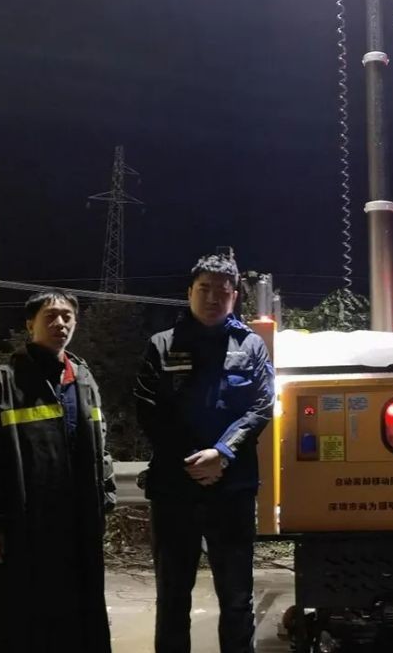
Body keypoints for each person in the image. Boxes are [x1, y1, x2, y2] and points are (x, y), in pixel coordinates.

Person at [0, 289, 116, 653]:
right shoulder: (4, 383)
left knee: (76, 616)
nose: (60, 323)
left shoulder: (83, 379)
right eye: (50, 316)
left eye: (67, 316)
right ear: (31, 324)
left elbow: (100, 446)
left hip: (77, 523)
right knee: (21, 619)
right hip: (25, 525)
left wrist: (104, 498)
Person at [135, 252, 275, 653]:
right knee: (172, 597)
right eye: (204, 289)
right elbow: (148, 408)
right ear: (189, 292)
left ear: (234, 297)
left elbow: (262, 405)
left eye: (222, 291)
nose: (213, 298)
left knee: (236, 598)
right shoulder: (162, 345)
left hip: (232, 491)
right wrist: (194, 459)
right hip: (174, 489)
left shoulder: (251, 346)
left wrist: (223, 453)